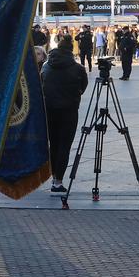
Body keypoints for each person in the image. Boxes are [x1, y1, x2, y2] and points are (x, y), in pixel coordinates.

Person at [40, 34, 87, 192]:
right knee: (64, 146)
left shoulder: (46, 65)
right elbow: (83, 87)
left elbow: (41, 84)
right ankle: (58, 181)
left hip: (49, 110)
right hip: (69, 111)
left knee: (53, 144)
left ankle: (54, 177)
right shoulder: (78, 68)